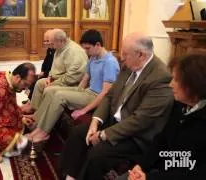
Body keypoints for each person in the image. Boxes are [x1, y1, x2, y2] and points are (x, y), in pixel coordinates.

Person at [59, 32, 174, 180]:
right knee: (78, 133)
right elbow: (110, 95)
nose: (122, 57)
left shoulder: (160, 77)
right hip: (115, 121)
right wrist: (95, 121)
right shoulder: (130, 65)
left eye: (126, 54)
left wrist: (103, 135)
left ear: (141, 55)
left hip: (136, 136)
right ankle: (69, 176)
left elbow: (140, 120)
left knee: (97, 154)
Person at [121, 52, 206, 180]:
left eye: (176, 80)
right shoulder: (179, 105)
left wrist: (149, 178)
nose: (171, 84)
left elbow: (196, 171)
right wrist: (141, 166)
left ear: (194, 84)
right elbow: (161, 141)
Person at [26, 29, 120, 143]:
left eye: (88, 48)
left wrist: (83, 110)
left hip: (96, 96)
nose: (85, 51)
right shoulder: (94, 58)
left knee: (60, 96)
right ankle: (37, 124)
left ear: (98, 45)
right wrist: (75, 91)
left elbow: (105, 93)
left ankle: (43, 133)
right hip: (87, 92)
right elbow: (85, 79)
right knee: (51, 91)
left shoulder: (109, 62)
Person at [25, 29, 88, 114]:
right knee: (40, 83)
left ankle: (40, 115)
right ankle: (34, 109)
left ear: (61, 40)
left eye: (52, 43)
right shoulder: (60, 47)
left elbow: (72, 77)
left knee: (48, 89)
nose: (52, 46)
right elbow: (54, 66)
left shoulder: (74, 52)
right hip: (59, 79)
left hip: (73, 83)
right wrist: (50, 77)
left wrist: (54, 83)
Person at [26, 29, 55, 100]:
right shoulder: (49, 49)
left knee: (37, 83)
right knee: (31, 82)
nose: (45, 43)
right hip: (46, 72)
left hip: (52, 74)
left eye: (47, 41)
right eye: (45, 41)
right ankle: (30, 100)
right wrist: (42, 70)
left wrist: (48, 75)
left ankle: (31, 102)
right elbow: (45, 61)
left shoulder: (57, 50)